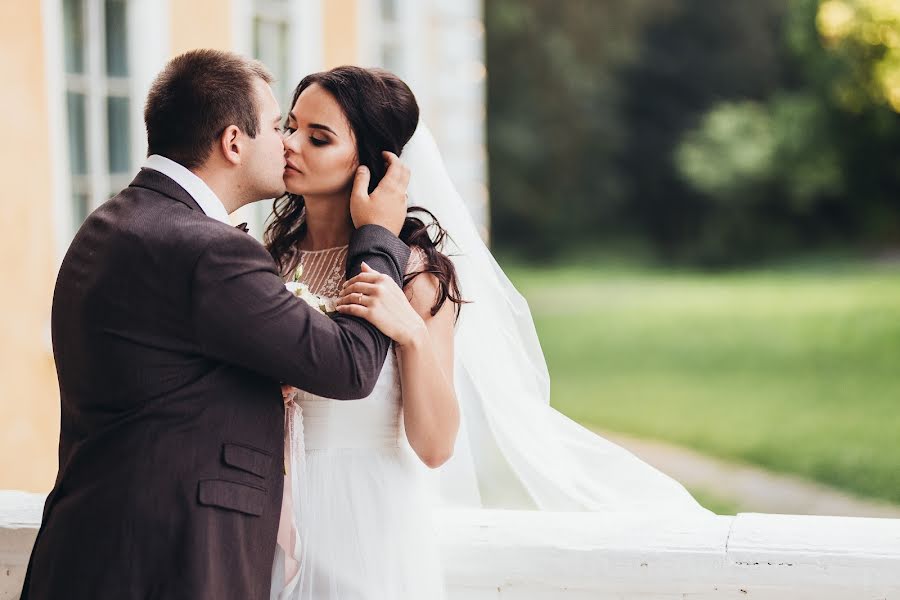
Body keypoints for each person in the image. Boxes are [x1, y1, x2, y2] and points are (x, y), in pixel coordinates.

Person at [21, 49, 419, 600]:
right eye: (280, 126)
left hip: (89, 550)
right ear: (234, 142)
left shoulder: (109, 224)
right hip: (169, 565)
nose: (287, 144)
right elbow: (349, 366)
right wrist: (379, 237)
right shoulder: (208, 250)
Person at [268, 66, 459, 599]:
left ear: (371, 163)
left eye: (318, 137)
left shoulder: (416, 273)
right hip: (272, 519)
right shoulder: (270, 261)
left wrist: (412, 336)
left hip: (365, 523)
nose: (289, 144)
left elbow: (437, 446)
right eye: (289, 126)